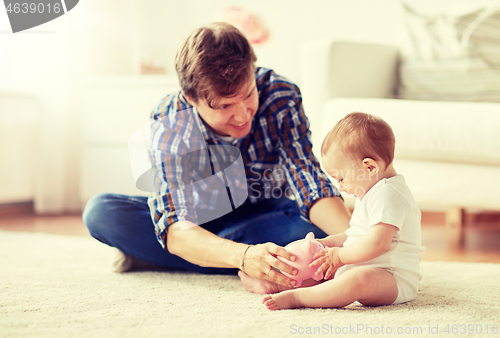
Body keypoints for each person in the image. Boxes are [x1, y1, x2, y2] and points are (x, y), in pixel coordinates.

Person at [82, 22, 351, 288]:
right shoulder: (171, 119)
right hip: (194, 220)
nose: (243, 114)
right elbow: (175, 227)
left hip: (263, 216)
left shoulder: (281, 95)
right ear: (190, 98)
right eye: (225, 106)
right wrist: (244, 256)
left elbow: (308, 181)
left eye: (248, 95)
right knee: (102, 212)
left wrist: (355, 242)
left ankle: (171, 256)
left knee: (318, 234)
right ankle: (228, 257)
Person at [257, 112, 425, 310]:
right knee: (319, 268)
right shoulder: (371, 191)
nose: (340, 187)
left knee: (357, 280)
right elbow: (353, 235)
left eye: (341, 178)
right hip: (360, 265)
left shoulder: (389, 194)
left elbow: (377, 243)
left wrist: (340, 257)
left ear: (370, 167)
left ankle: (298, 299)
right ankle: (274, 284)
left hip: (391, 278)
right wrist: (328, 244)